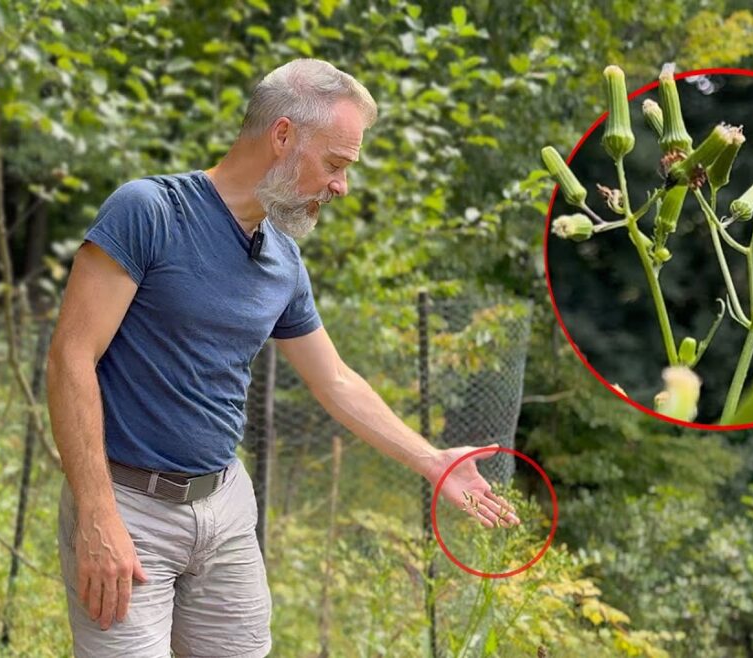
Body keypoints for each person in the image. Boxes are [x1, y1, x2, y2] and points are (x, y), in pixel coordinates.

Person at [45, 58, 519, 657]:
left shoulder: (283, 260)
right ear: (284, 135)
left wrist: (434, 462)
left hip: (224, 510)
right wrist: (96, 513)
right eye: (335, 164)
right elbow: (70, 359)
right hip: (129, 508)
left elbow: (336, 380)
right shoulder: (150, 212)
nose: (341, 186)